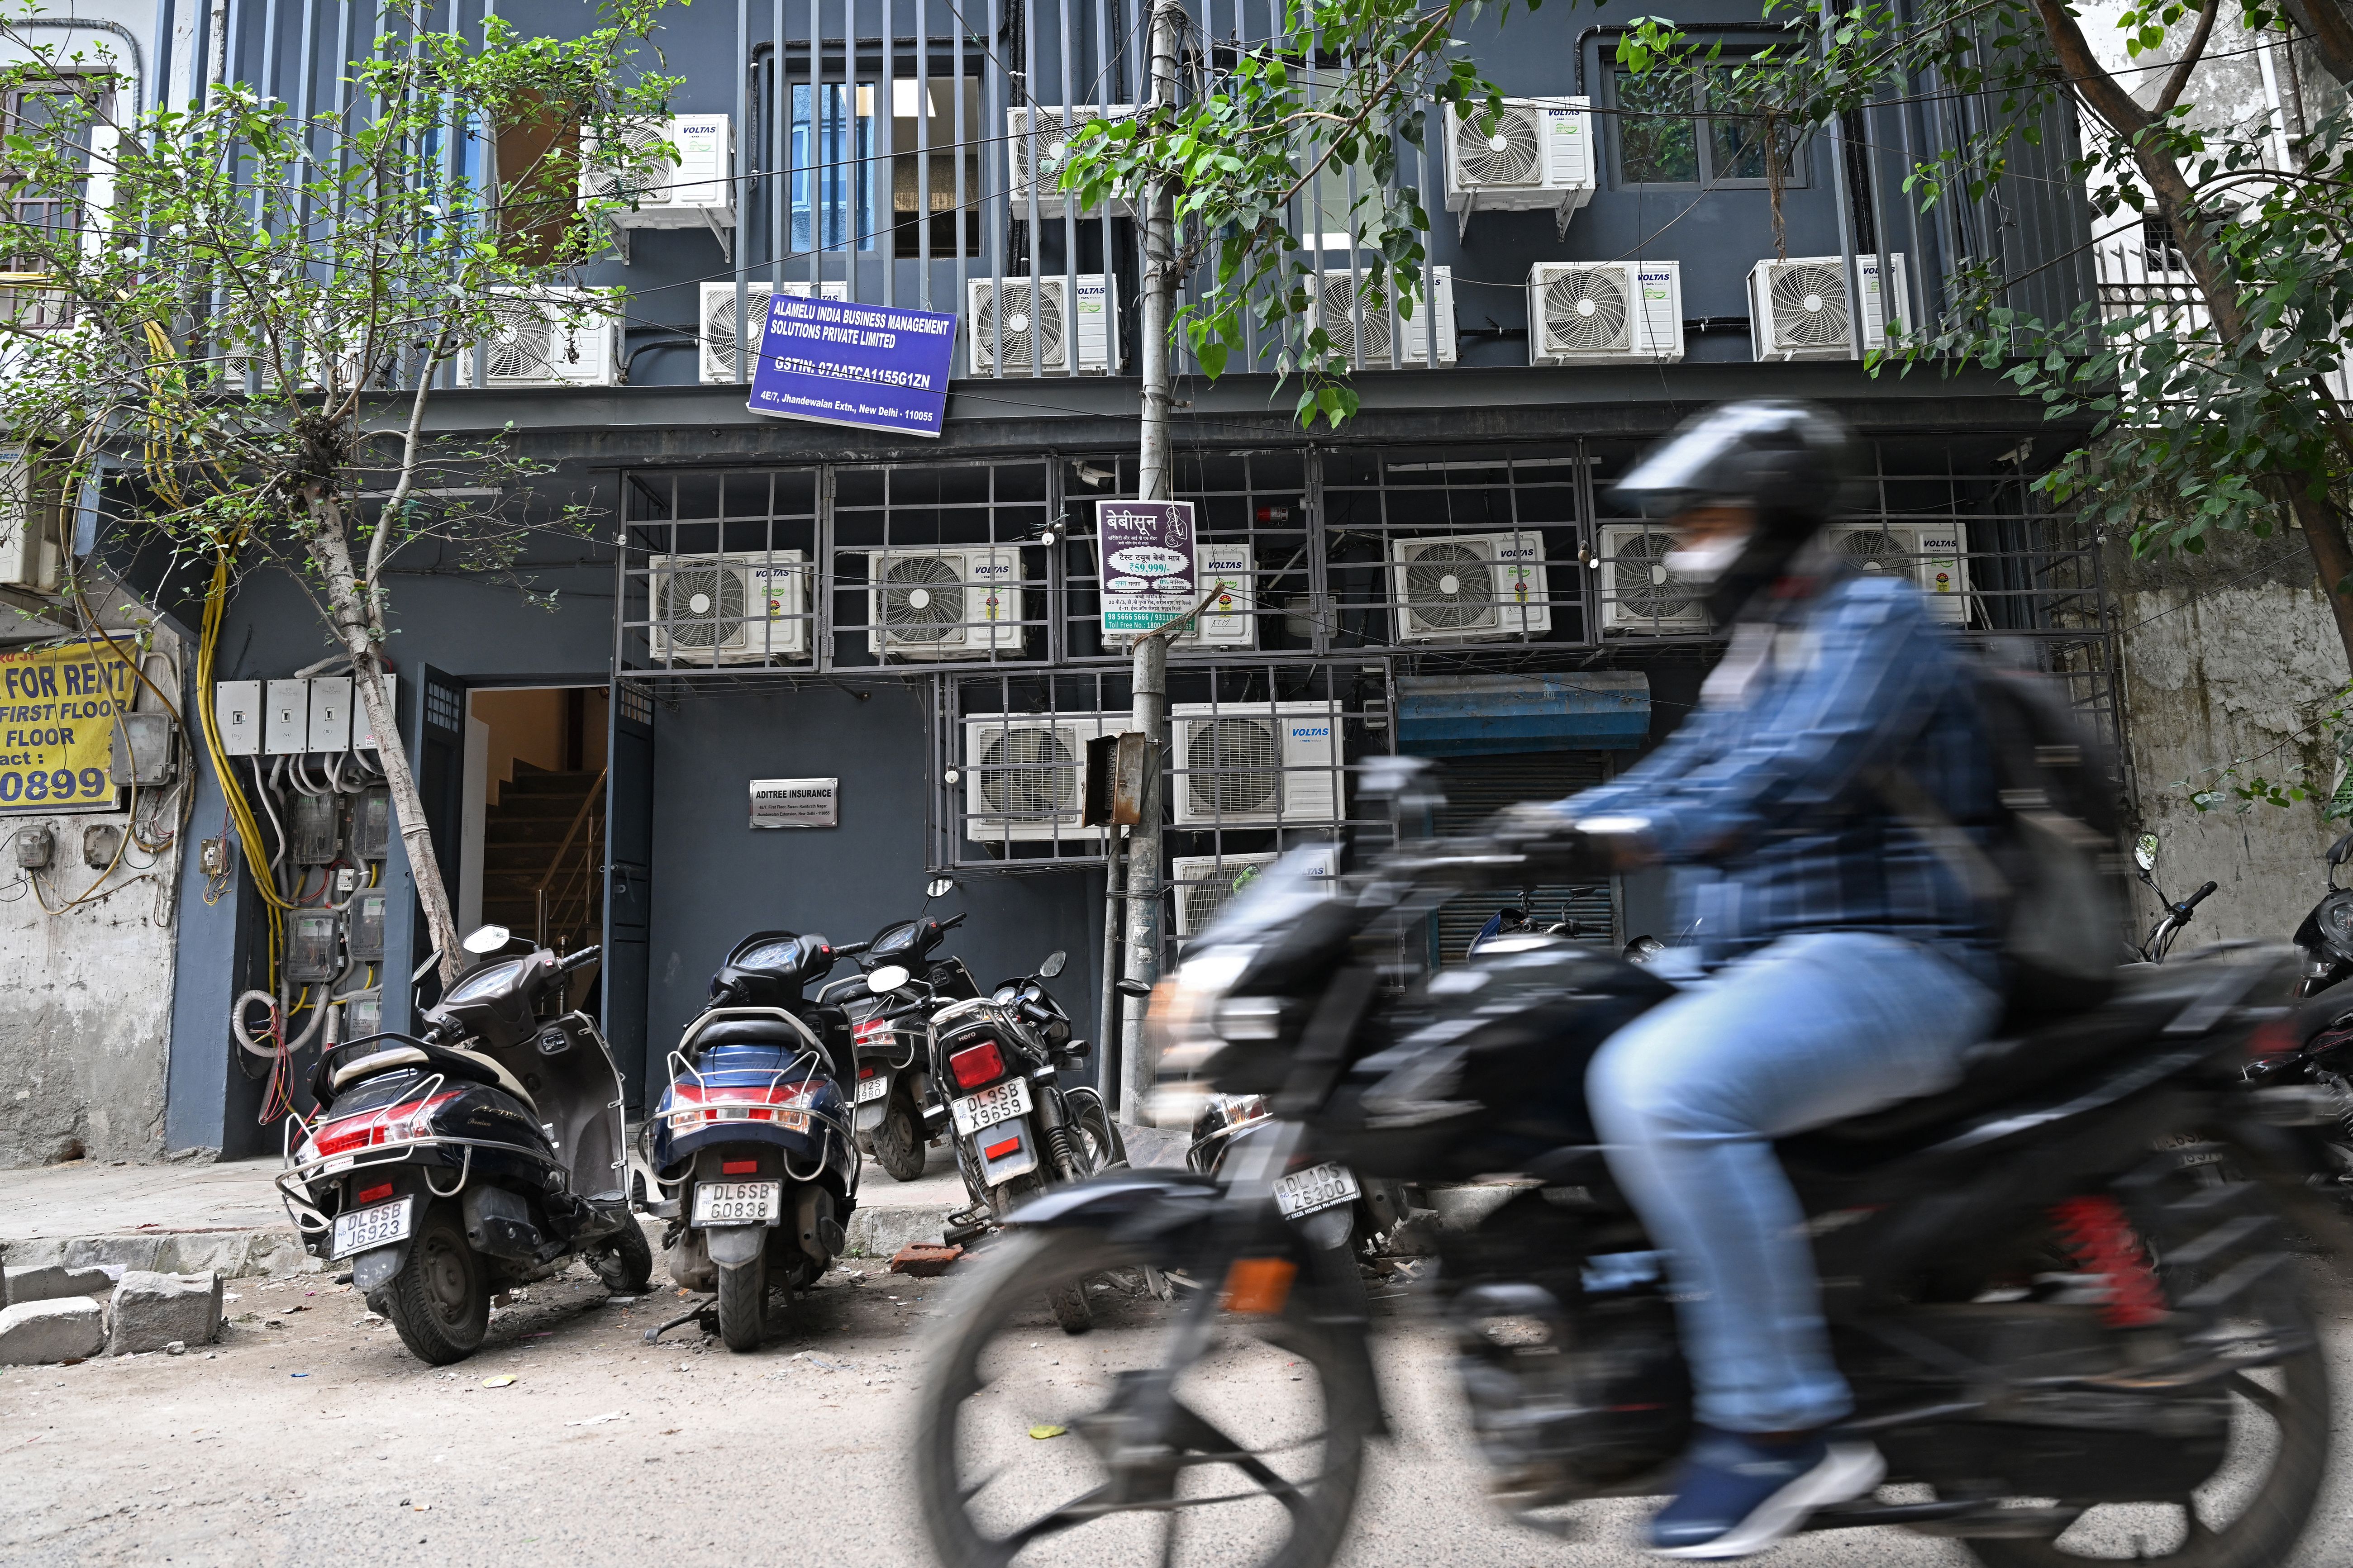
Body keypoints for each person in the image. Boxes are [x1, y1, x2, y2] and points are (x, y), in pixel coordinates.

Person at [1519, 401, 2003, 1558]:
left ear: (1774, 520)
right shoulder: (1757, 652)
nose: (1688, 538)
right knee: (1558, 1028)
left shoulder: (1871, 619)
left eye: (1709, 515)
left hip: (1898, 958)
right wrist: (1527, 823)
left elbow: (1797, 772)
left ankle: (1778, 1422)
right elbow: (1677, 766)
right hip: (1757, 963)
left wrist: (1636, 834)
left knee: (1661, 1086)